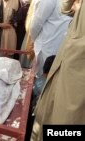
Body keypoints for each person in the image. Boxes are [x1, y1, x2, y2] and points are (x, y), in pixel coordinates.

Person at [30, 0, 85, 141]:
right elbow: (64, 8)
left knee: (63, 119)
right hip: (59, 55)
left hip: (70, 61)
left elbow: (35, 26)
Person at [30, 0, 71, 77]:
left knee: (41, 78)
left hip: (47, 47)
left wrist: (32, 39)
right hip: (61, 48)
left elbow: (36, 24)